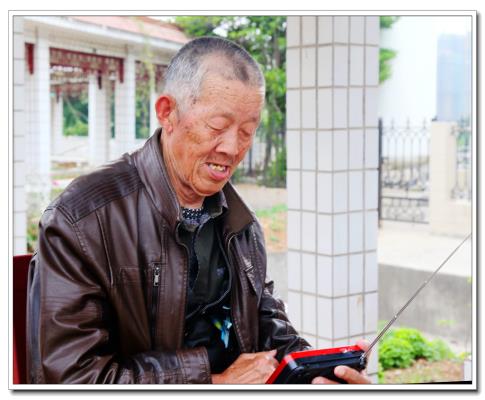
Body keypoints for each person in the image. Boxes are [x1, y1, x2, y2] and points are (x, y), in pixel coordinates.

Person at [26, 36, 371, 384]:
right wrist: (214, 382)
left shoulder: (241, 223)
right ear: (167, 112)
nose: (232, 148)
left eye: (247, 132)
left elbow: (265, 326)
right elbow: (70, 378)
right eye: (217, 127)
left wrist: (317, 372)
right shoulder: (81, 219)